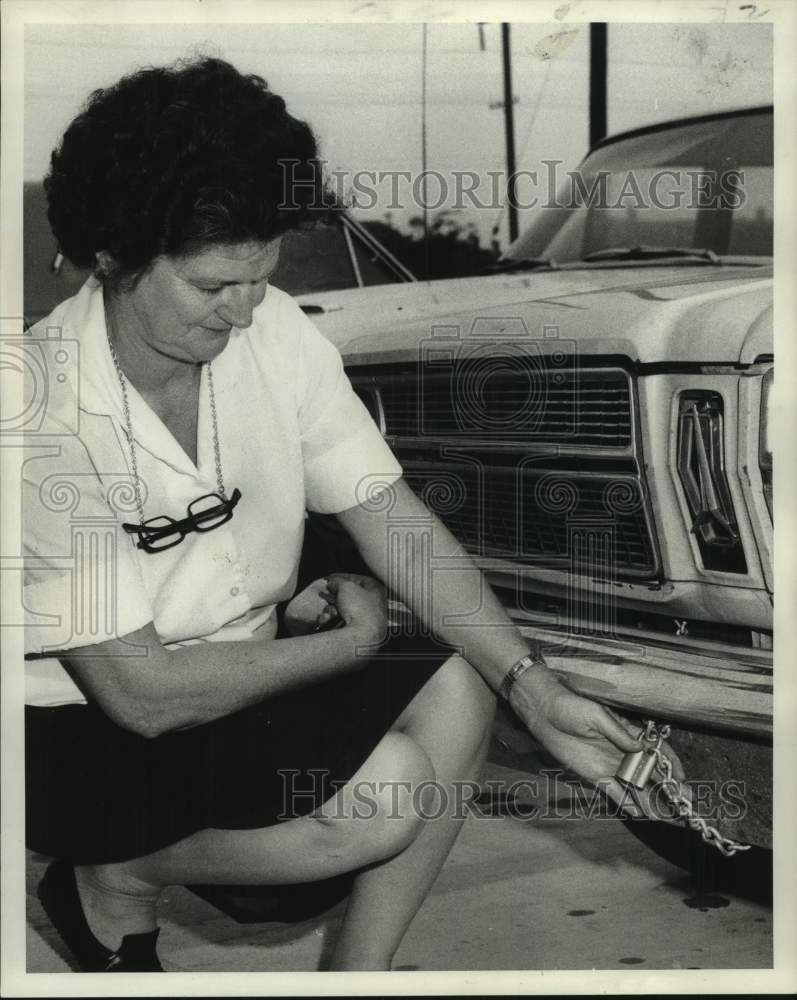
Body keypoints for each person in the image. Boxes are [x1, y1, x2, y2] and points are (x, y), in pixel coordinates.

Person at [23, 56, 681, 974]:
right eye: (216, 287)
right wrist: (347, 645)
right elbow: (142, 696)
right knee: (385, 797)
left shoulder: (278, 330)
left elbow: (387, 512)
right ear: (112, 256)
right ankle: (114, 874)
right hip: (77, 732)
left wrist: (533, 686)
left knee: (458, 682)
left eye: (263, 274)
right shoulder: (34, 407)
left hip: (242, 677)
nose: (248, 312)